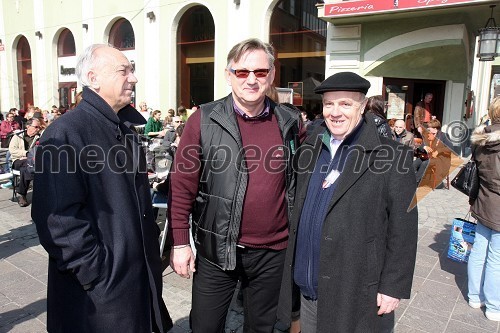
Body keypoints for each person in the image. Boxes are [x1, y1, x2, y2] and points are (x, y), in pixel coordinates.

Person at [31, 44, 172, 333]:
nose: (133, 78)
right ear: (93, 78)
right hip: (98, 301)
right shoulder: (65, 133)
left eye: (132, 70)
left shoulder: (124, 130)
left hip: (134, 286)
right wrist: (97, 274)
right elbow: (58, 221)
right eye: (124, 70)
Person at [169, 38, 304, 333]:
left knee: (261, 328)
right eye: (242, 72)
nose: (251, 80)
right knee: (204, 327)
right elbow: (181, 186)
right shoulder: (204, 119)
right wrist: (180, 243)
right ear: (228, 75)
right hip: (217, 250)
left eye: (260, 72)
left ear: (271, 75)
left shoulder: (290, 121)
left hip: (274, 252)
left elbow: (300, 181)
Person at [276, 71, 418, 333]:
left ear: (362, 106)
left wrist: (392, 286)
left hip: (355, 294)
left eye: (345, 104)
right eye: (329, 104)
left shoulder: (392, 155)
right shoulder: (311, 148)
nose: (335, 112)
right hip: (308, 290)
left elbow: (404, 228)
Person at [467, 97, 500, 321]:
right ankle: (494, 305)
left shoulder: (481, 138)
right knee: (496, 258)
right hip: (496, 203)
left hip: (484, 198)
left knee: (479, 251)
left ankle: (473, 295)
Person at [8, 118, 41, 207]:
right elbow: (12, 150)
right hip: (17, 160)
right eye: (36, 127)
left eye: (39, 127)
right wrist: (26, 153)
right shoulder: (17, 136)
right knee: (28, 165)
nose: (38, 129)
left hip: (30, 162)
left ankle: (22, 195)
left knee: (25, 168)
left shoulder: (39, 137)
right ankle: (38, 193)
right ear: (28, 126)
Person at [412, 119, 452, 186]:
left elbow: (450, 148)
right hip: (427, 157)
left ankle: (415, 181)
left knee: (425, 163)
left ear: (435, 129)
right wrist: (424, 147)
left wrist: (439, 151)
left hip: (439, 158)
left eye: (429, 128)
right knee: (415, 163)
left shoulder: (444, 136)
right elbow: (421, 147)